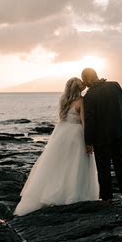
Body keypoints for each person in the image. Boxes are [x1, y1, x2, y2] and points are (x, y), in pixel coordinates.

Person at [14, 77, 99, 216]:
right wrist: (89, 142)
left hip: (62, 134)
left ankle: (52, 192)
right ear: (79, 88)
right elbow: (85, 123)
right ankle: (73, 194)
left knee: (59, 165)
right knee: (76, 165)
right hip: (76, 136)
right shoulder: (81, 101)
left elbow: (63, 119)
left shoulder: (63, 100)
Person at [81, 67, 122, 207]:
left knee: (103, 167)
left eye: (83, 79)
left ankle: (107, 198)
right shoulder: (115, 85)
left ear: (87, 79)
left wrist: (88, 141)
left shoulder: (89, 96)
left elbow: (90, 120)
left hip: (101, 136)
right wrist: (121, 123)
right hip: (119, 131)